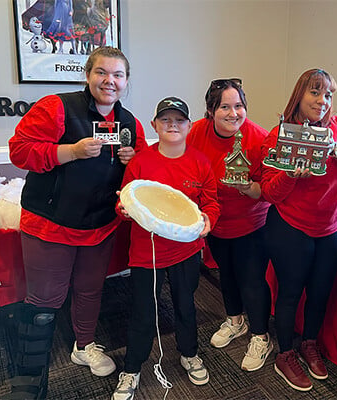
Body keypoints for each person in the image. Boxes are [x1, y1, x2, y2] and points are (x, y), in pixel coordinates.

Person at [5, 46, 147, 400]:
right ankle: (29, 376)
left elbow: (144, 170)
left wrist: (135, 159)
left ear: (126, 81)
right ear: (87, 75)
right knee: (44, 301)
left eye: (117, 75)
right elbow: (19, 150)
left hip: (98, 225)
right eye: (102, 72)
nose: (109, 81)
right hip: (50, 223)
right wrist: (71, 151)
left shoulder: (130, 122)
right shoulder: (57, 106)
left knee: (89, 290)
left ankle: (84, 346)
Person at [260, 68, 337, 391]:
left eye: (328, 94)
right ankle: (285, 353)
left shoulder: (336, 127)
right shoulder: (280, 135)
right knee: (290, 293)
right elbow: (268, 193)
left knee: (320, 293)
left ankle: (309, 343)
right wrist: (292, 174)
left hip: (329, 228)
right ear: (300, 95)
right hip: (291, 227)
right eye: (315, 92)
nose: (322, 100)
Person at [112, 97, 220, 400]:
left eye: (179, 120)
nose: (173, 125)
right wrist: (123, 209)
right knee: (143, 312)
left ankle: (189, 354)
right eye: (166, 120)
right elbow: (124, 199)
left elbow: (210, 201)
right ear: (154, 125)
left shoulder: (199, 161)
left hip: (186, 250)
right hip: (147, 253)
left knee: (186, 305)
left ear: (189, 125)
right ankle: (132, 369)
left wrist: (209, 218)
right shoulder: (141, 161)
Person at [187, 78, 273, 371]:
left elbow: (269, 190)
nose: (233, 113)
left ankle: (261, 336)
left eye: (239, 106)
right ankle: (235, 320)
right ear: (211, 111)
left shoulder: (259, 138)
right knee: (226, 274)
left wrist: (249, 188)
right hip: (216, 221)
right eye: (225, 107)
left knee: (251, 280)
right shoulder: (196, 132)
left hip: (252, 223)